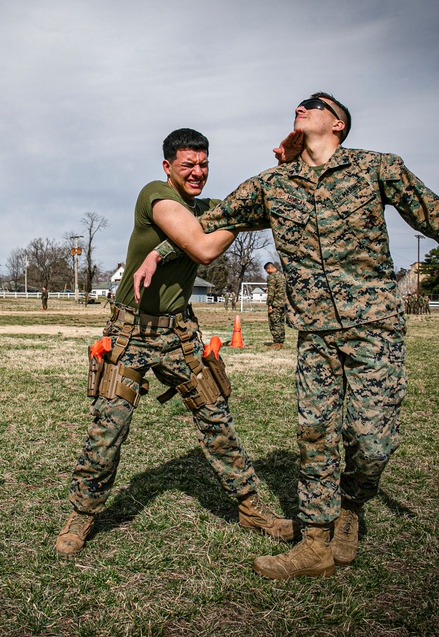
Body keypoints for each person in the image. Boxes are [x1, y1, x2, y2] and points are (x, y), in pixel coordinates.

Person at [135, 92, 439, 579]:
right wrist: (157, 253)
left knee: (373, 442)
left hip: (374, 326)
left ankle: (351, 506)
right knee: (314, 434)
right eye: (300, 103)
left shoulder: (377, 168)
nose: (302, 106)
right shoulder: (273, 185)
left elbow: (433, 214)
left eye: (315, 103)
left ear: (338, 124)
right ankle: (315, 543)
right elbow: (211, 221)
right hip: (314, 332)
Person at [55, 128, 293, 557]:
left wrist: (281, 170)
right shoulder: (156, 195)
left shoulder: (208, 207)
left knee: (216, 419)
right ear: (168, 167)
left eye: (204, 164)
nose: (198, 172)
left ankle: (251, 507)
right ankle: (82, 513)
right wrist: (232, 219)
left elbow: (254, 206)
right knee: (109, 428)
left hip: (179, 333)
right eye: (188, 165)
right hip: (132, 332)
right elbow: (203, 247)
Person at [263, 263, 286, 349]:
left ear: (268, 269)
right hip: (283, 303)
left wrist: (269, 305)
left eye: (266, 270)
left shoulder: (272, 277)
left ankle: (277, 342)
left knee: (274, 323)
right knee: (280, 323)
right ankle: (281, 342)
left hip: (275, 303)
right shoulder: (282, 276)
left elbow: (271, 293)